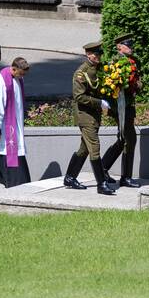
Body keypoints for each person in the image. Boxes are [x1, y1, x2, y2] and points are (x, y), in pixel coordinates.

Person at [63, 41, 115, 195]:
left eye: (100, 54)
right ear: (88, 54)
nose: (98, 57)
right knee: (94, 148)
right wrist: (100, 102)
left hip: (94, 114)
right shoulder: (81, 72)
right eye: (95, 54)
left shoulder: (99, 69)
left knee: (84, 148)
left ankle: (70, 177)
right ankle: (102, 184)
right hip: (85, 115)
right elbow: (79, 96)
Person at [0, 57, 32, 189]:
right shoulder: (0, 82)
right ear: (13, 69)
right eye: (21, 73)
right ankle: (17, 184)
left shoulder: (17, 79)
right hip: (4, 127)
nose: (22, 76)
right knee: (10, 156)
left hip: (14, 124)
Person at [100, 33, 141, 187]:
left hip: (129, 105)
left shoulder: (133, 62)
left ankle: (103, 168)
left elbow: (138, 81)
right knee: (129, 139)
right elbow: (108, 85)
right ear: (119, 47)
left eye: (131, 45)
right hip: (119, 106)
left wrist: (135, 86)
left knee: (124, 139)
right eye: (127, 45)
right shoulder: (113, 62)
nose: (131, 48)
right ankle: (125, 177)